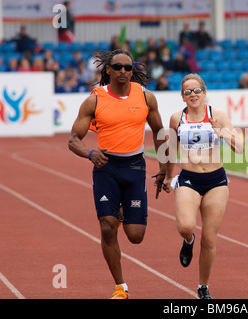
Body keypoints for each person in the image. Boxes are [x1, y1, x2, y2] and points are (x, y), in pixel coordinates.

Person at [68, 49, 167, 299]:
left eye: (128, 67)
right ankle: (121, 287)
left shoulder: (146, 97)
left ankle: (121, 212)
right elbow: (73, 140)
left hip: (135, 168)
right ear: (108, 70)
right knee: (107, 228)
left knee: (135, 237)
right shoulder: (95, 99)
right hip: (106, 168)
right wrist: (90, 154)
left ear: (133, 71)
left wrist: (165, 166)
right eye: (118, 67)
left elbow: (159, 131)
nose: (123, 71)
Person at [163, 73, 244, 299]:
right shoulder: (176, 118)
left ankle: (203, 287)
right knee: (186, 226)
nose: (193, 94)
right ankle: (188, 241)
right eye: (187, 92)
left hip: (216, 180)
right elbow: (171, 150)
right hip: (188, 178)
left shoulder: (217, 115)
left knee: (209, 239)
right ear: (182, 96)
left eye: (196, 90)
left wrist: (223, 133)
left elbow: (241, 148)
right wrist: (169, 177)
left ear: (204, 92)